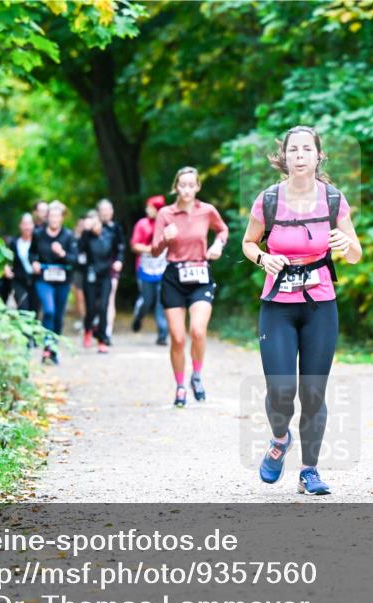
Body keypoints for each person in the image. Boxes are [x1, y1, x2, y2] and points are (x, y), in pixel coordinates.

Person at [241, 126, 361, 496]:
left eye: (307, 149)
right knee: (280, 390)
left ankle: (310, 470)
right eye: (293, 149)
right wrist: (263, 258)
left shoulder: (334, 200)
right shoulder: (268, 200)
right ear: (285, 157)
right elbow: (248, 242)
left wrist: (345, 244)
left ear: (318, 156)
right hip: (278, 305)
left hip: (320, 304)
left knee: (313, 391)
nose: (300, 155)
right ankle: (280, 440)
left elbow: (356, 254)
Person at [151, 167, 228, 407]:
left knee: (197, 331)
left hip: (200, 273)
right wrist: (165, 238)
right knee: (177, 337)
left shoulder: (207, 211)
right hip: (174, 276)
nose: (186, 189)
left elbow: (222, 229)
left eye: (190, 185)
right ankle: (180, 386)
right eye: (181, 185)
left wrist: (218, 245)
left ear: (197, 187)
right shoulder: (166, 213)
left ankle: (196, 375)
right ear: (176, 187)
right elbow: (154, 250)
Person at [30, 200, 77, 364]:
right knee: (48, 311)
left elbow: (74, 260)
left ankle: (53, 349)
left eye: (57, 217)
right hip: (44, 279)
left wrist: (62, 253)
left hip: (63, 280)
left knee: (58, 315)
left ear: (62, 219)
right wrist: (34, 262)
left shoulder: (69, 236)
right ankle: (47, 347)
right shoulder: (38, 234)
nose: (54, 220)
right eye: (52, 217)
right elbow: (32, 253)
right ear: (47, 217)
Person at [81, 202, 124, 353]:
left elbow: (119, 249)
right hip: (90, 275)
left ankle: (102, 339)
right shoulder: (87, 237)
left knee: (104, 306)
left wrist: (119, 261)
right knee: (91, 307)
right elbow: (79, 249)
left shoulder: (111, 233)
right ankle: (88, 330)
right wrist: (86, 232)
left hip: (106, 275)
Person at [131, 195, 169, 345]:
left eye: (150, 207)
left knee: (161, 301)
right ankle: (139, 317)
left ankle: (163, 334)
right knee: (147, 300)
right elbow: (135, 245)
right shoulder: (142, 224)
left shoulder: (167, 224)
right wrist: (150, 249)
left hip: (163, 268)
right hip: (145, 268)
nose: (147, 210)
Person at [97, 199, 125, 346]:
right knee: (96, 302)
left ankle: (107, 331)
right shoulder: (94, 228)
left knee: (109, 299)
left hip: (111, 269)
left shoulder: (116, 228)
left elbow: (121, 247)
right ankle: (96, 323)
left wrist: (119, 261)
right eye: (103, 210)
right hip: (95, 270)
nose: (106, 213)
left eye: (108, 210)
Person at [4, 213, 38, 314]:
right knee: (23, 308)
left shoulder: (39, 241)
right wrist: (6, 268)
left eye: (29, 224)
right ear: (20, 226)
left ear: (33, 225)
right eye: (25, 224)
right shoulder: (14, 242)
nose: (27, 227)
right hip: (19, 280)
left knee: (34, 310)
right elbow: (7, 260)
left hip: (36, 280)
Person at [71, 215, 89, 337]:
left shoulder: (90, 237)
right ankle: (83, 320)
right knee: (79, 297)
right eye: (80, 225)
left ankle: (90, 319)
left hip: (89, 271)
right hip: (77, 271)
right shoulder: (73, 239)